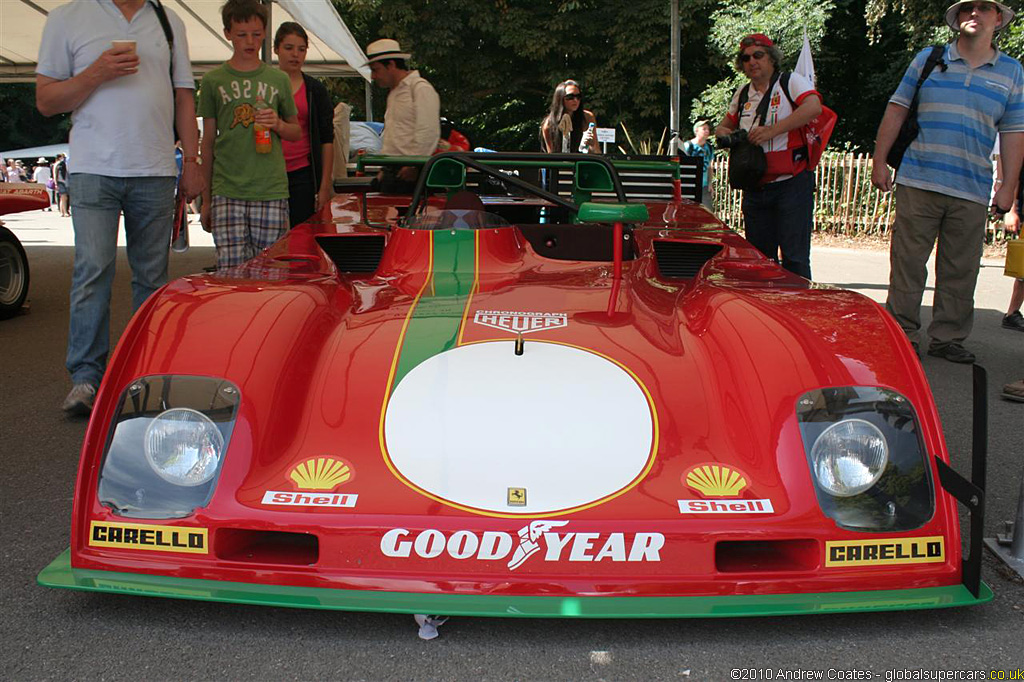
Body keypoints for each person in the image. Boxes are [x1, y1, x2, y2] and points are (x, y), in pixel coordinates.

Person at [36, 0, 201, 416]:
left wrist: (193, 162)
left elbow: (184, 97)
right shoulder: (66, 17)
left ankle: (143, 375)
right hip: (94, 167)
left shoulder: (169, 20)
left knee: (152, 278)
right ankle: (86, 379)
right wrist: (97, 72)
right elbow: (46, 101)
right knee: (93, 271)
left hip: (156, 167)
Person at [871, 1, 1023, 363]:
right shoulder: (929, 58)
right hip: (919, 178)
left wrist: (1008, 187)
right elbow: (897, 109)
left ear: (998, 19)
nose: (975, 13)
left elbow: (1015, 132)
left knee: (961, 268)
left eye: (984, 8)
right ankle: (904, 333)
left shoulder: (1012, 71)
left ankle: (948, 338)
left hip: (972, 186)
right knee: (908, 262)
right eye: (968, 8)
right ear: (957, 18)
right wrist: (880, 162)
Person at [198, 0, 301, 268]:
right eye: (242, 34)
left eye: (256, 34)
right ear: (227, 33)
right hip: (226, 190)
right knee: (231, 273)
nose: (250, 41)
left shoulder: (278, 79)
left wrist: (277, 124)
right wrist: (206, 200)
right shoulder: (213, 80)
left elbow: (295, 131)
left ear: (265, 33)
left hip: (270, 190)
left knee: (270, 273)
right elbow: (207, 142)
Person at [715, 35, 822, 279]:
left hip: (791, 182)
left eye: (758, 55)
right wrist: (728, 135)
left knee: (794, 257)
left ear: (771, 58)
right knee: (759, 258)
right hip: (756, 184)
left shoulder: (789, 82)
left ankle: (798, 308)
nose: (752, 61)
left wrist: (772, 131)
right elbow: (723, 127)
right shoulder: (743, 93)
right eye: (746, 58)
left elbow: (813, 107)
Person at [274, 22, 335, 228]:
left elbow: (327, 139)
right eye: (289, 48)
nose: (295, 55)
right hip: (269, 173)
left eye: (301, 49)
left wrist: (325, 184)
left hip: (303, 173)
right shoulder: (265, 85)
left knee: (303, 234)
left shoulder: (314, 89)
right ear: (276, 49)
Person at [365, 38, 440, 193]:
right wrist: (384, 170)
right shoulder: (394, 92)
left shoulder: (419, 88)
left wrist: (414, 165)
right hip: (394, 169)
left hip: (411, 171)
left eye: (376, 70)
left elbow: (428, 131)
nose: (373, 76)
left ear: (391, 65)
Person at [540, 80, 599, 154]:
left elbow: (597, 152)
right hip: (560, 163)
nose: (575, 100)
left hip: (582, 162)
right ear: (560, 99)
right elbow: (552, 156)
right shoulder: (548, 124)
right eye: (570, 97)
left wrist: (590, 144)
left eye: (578, 96)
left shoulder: (587, 117)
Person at [682, 120, 715, 210]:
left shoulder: (709, 147)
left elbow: (709, 166)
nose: (707, 131)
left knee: (707, 211)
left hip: (703, 186)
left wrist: (710, 184)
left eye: (708, 129)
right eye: (704, 129)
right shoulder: (688, 146)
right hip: (690, 185)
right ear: (696, 131)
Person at [53, 153, 70, 217]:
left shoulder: (64, 164)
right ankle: (64, 211)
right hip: (61, 182)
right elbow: (55, 174)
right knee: (64, 197)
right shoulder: (58, 164)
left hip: (64, 181)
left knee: (63, 198)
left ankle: (62, 212)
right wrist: (56, 183)